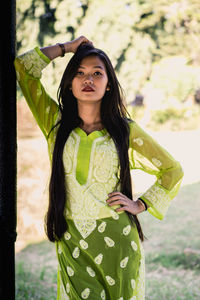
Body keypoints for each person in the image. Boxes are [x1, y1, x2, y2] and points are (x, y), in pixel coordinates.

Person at [14, 36, 184, 300]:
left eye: (97, 73)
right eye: (79, 73)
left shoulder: (124, 130)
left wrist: (141, 204)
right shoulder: (54, 123)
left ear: (108, 85)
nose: (88, 80)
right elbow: (24, 68)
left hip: (118, 239)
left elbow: (172, 170)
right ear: (70, 84)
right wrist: (66, 48)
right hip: (72, 239)